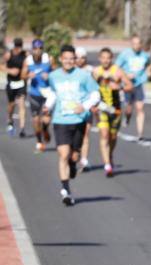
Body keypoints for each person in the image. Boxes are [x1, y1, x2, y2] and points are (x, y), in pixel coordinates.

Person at [42, 45, 100, 206]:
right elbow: (53, 93)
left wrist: (85, 106)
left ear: (75, 59)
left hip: (79, 120)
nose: (68, 61)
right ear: (61, 59)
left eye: (71, 59)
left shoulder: (84, 75)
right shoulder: (54, 76)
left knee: (73, 156)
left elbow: (96, 94)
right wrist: (48, 106)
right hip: (60, 120)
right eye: (65, 58)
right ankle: (65, 191)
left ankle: (73, 164)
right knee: (63, 154)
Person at [93, 48, 133, 177]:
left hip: (115, 109)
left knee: (113, 136)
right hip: (101, 108)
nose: (105, 60)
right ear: (99, 58)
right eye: (103, 58)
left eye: (108, 58)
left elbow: (130, 86)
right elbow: (89, 88)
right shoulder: (95, 72)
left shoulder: (117, 71)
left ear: (111, 59)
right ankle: (107, 165)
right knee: (104, 135)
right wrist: (92, 105)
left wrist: (120, 87)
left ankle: (110, 155)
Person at [116, 35, 151, 141]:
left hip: (139, 84)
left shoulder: (145, 55)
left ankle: (140, 133)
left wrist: (148, 73)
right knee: (128, 108)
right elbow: (116, 67)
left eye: (138, 43)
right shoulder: (125, 54)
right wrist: (126, 75)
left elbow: (149, 65)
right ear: (131, 44)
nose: (136, 45)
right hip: (128, 85)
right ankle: (127, 117)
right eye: (134, 43)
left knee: (140, 108)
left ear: (141, 44)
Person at [26, 39, 52, 152]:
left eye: (40, 48)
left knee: (46, 120)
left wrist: (49, 76)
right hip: (35, 93)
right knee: (36, 120)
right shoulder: (28, 61)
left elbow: (57, 72)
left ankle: (45, 129)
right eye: (35, 48)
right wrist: (28, 75)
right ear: (32, 49)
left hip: (47, 93)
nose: (38, 50)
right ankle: (39, 141)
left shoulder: (48, 59)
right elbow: (22, 75)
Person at [3, 37, 28, 137]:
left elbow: (28, 65)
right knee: (12, 104)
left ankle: (22, 128)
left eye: (20, 46)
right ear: (14, 46)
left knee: (21, 104)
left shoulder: (25, 55)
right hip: (11, 83)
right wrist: (10, 71)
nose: (19, 48)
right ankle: (10, 119)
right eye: (17, 46)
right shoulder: (8, 54)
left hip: (21, 83)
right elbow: (1, 66)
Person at [75, 47, 94, 171]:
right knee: (75, 134)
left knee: (86, 134)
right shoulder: (71, 70)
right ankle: (75, 155)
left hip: (87, 106)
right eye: (77, 57)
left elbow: (96, 87)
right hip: (73, 107)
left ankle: (84, 160)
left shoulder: (90, 70)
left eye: (83, 58)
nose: (80, 60)